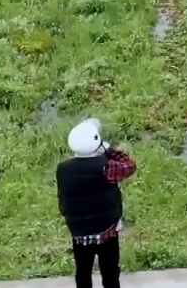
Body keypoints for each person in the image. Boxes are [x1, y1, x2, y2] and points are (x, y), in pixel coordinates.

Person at [56, 118, 137, 288]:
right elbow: (129, 166)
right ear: (96, 142)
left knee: (83, 271)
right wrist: (108, 150)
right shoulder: (105, 167)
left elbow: (63, 198)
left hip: (80, 233)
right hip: (106, 231)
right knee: (110, 272)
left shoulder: (63, 169)